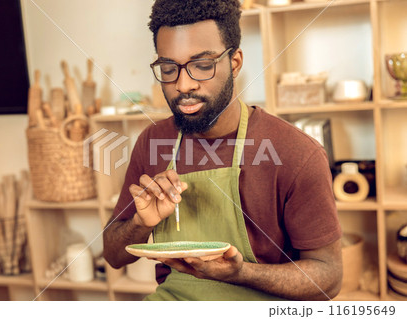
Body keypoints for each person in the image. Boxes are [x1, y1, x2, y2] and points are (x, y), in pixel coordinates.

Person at [103, 0, 342, 301]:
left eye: (202, 66)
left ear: (235, 62)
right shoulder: (153, 141)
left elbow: (329, 277)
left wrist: (241, 273)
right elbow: (113, 255)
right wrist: (140, 224)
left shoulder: (295, 152)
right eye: (168, 68)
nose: (183, 85)